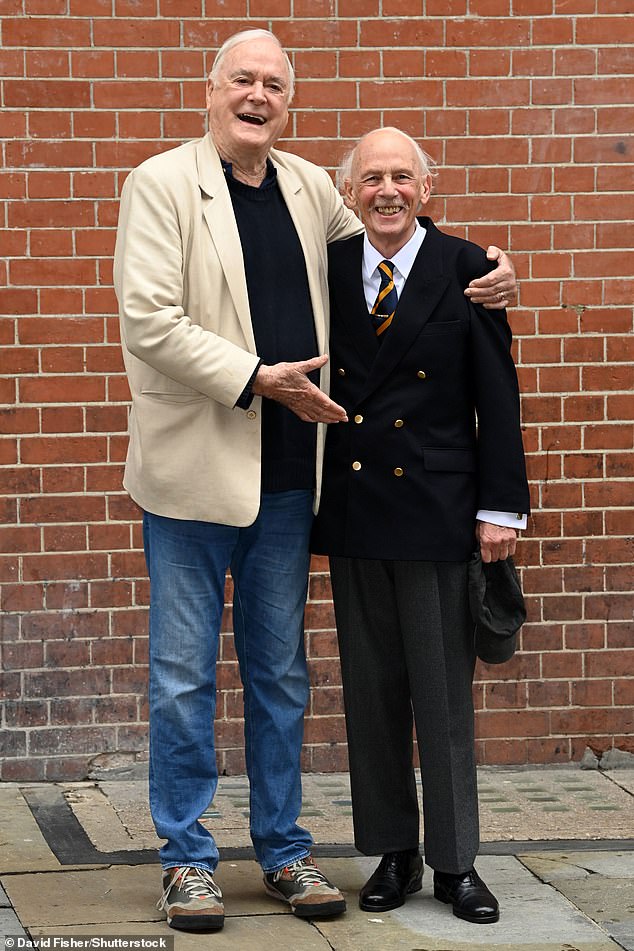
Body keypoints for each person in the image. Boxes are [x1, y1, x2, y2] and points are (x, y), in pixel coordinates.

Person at [113, 28, 517, 932]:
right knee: (183, 676)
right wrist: (257, 377)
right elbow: (147, 319)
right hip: (193, 475)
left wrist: (491, 267)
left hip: (293, 475)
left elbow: (400, 242)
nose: (258, 96)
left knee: (280, 676)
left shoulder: (306, 187)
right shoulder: (162, 183)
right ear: (210, 90)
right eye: (242, 81)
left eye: (275, 85)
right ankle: (187, 860)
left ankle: (285, 850)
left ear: (288, 103)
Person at [311, 127, 530, 925]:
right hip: (358, 510)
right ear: (349, 193)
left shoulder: (468, 268)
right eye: (371, 178)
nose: (387, 190)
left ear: (426, 189)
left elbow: (495, 394)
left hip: (440, 512)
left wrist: (500, 509)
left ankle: (456, 862)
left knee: (443, 698)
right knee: (371, 694)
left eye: (402, 176)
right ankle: (392, 851)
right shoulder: (329, 269)